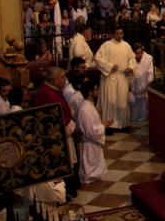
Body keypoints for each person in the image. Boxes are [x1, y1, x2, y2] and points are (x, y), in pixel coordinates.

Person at [33, 67, 79, 197]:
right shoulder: (46, 93)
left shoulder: (53, 90)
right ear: (55, 80)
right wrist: (69, 124)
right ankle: (64, 193)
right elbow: (53, 116)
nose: (65, 80)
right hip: (56, 138)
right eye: (63, 77)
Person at [94, 28, 136, 133]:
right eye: (117, 33)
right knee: (110, 101)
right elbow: (97, 58)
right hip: (110, 77)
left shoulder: (126, 46)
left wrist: (130, 67)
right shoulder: (106, 45)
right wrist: (110, 66)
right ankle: (108, 126)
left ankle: (123, 124)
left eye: (121, 33)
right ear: (113, 34)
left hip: (122, 77)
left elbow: (132, 58)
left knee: (122, 101)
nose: (119, 35)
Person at [75, 81, 110, 184]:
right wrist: (104, 125)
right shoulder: (86, 109)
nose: (97, 91)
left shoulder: (89, 106)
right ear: (90, 92)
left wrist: (102, 124)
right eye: (95, 89)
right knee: (90, 174)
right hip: (89, 144)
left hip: (92, 144)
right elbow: (91, 132)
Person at [130, 43, 154, 122]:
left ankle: (145, 115)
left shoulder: (148, 58)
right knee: (133, 101)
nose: (139, 55)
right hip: (134, 86)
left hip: (145, 84)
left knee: (145, 101)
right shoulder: (131, 59)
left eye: (141, 53)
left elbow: (151, 72)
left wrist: (147, 84)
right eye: (137, 53)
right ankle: (134, 117)